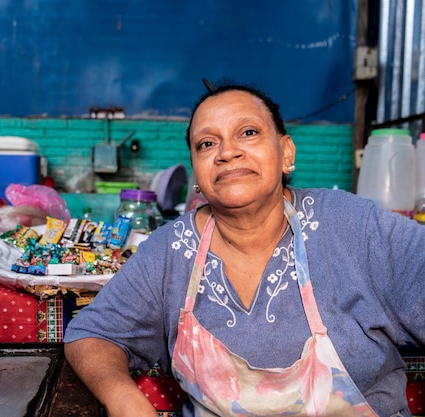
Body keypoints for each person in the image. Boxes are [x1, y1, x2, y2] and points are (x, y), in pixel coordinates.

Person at [63, 81, 425, 417]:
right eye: (207, 143)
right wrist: (124, 400)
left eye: (248, 133)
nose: (227, 152)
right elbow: (93, 334)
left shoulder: (354, 228)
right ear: (197, 173)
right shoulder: (169, 251)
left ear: (285, 153)